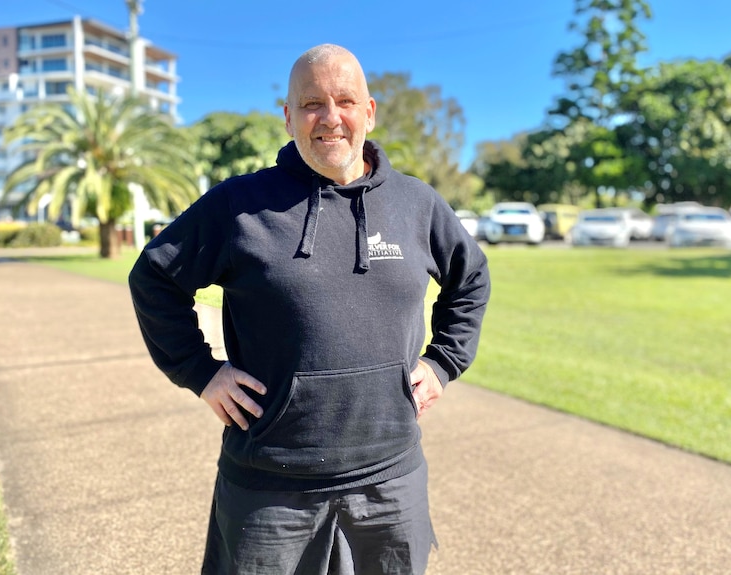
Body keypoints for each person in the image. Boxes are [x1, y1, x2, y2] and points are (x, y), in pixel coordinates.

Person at [128, 43, 490, 575]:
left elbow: (471, 278)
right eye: (312, 104)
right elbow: (155, 276)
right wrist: (201, 373)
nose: (330, 118)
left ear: (369, 111)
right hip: (271, 487)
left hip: (390, 480)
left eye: (345, 101)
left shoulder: (417, 203)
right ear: (289, 116)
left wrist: (442, 363)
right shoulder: (239, 205)